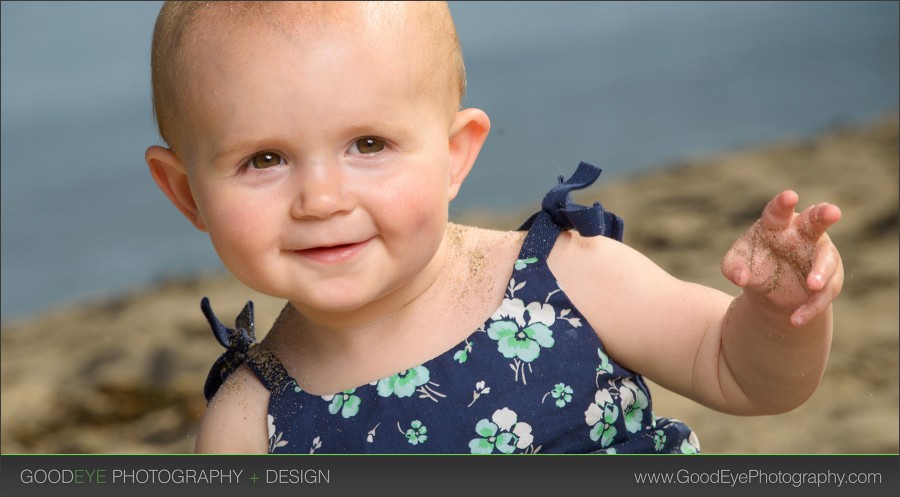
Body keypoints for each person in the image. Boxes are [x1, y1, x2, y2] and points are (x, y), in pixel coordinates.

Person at [145, 1, 843, 454]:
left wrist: (779, 316)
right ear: (188, 193)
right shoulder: (250, 426)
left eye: (368, 145)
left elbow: (744, 375)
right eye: (264, 159)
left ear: (454, 155)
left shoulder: (566, 275)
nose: (321, 198)